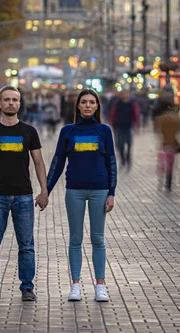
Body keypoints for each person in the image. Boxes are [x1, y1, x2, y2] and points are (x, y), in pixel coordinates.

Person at [46, 88, 117, 302]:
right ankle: (75, 284)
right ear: (78, 105)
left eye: (91, 102)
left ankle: (100, 286)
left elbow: (111, 163)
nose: (87, 105)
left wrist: (111, 193)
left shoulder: (104, 131)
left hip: (99, 190)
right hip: (74, 190)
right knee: (75, 239)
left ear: (97, 106)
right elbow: (58, 162)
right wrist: (45, 191)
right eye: (84, 102)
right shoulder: (67, 131)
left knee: (98, 239)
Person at [0, 86, 49, 302]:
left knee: (26, 245)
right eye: (7, 100)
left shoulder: (29, 132)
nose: (11, 103)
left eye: (15, 100)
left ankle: (27, 287)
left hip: (23, 196)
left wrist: (44, 190)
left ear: (20, 104)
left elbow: (38, 162)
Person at [154, 101, 180, 191]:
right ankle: (168, 184)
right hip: (173, 144)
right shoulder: (177, 119)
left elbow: (157, 130)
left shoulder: (160, 119)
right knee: (171, 164)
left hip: (164, 144)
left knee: (162, 164)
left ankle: (160, 183)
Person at [109, 90, 140, 170]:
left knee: (129, 144)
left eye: (126, 94)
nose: (125, 95)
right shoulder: (117, 103)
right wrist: (112, 123)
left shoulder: (132, 103)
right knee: (120, 145)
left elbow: (135, 114)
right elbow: (113, 113)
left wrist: (137, 124)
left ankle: (128, 159)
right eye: (123, 94)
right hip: (119, 126)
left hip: (129, 126)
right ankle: (123, 159)